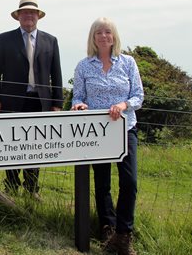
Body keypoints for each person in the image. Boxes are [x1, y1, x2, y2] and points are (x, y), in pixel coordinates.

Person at [71, 17, 144, 255]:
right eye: (98, 32)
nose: (103, 36)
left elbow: (138, 96)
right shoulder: (83, 66)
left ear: (114, 37)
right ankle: (107, 229)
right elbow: (77, 97)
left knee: (129, 182)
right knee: (102, 183)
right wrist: (79, 105)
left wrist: (123, 105)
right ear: (93, 38)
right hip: (97, 132)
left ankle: (124, 234)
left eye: (107, 32)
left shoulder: (128, 63)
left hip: (125, 128)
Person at [0, 0, 63, 201]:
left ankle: (32, 188)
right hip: (11, 101)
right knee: (11, 143)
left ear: (38, 16)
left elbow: (56, 74)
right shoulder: (5, 39)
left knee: (35, 145)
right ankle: (11, 186)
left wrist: (57, 103)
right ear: (18, 16)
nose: (28, 16)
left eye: (32, 12)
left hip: (40, 101)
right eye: (24, 12)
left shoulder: (51, 41)